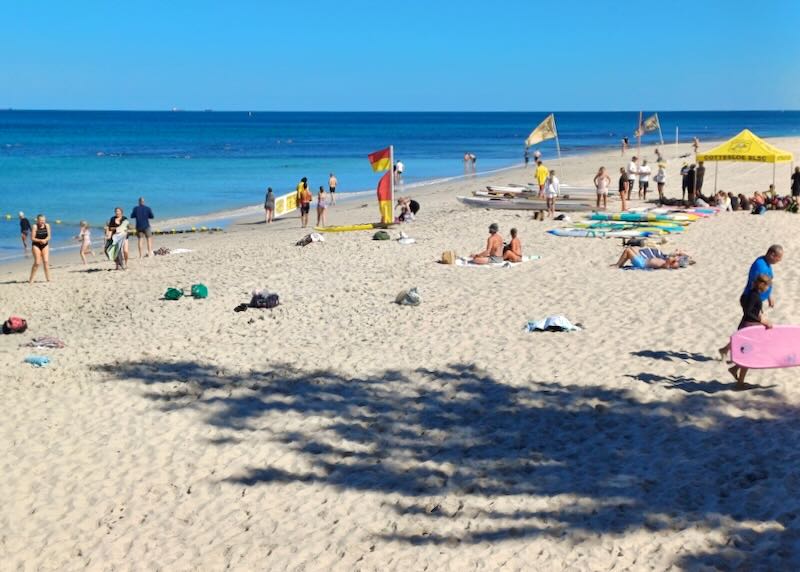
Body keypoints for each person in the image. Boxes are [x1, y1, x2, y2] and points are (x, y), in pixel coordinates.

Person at [719, 274, 772, 389]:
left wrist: (760, 317)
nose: (768, 288)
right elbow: (747, 312)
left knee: (749, 353)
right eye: (768, 286)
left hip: (750, 326)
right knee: (748, 355)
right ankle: (740, 382)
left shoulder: (754, 293)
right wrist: (761, 320)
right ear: (762, 285)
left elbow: (750, 308)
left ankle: (734, 369)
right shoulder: (754, 295)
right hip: (748, 327)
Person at [613, 246, 690, 270]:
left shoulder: (671, 264)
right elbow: (670, 258)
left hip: (642, 263)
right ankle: (620, 264)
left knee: (627, 250)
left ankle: (618, 265)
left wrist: (676, 257)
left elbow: (670, 261)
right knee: (630, 248)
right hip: (643, 260)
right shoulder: (671, 262)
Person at [29, 214, 51, 283]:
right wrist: (40, 240)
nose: (42, 221)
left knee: (46, 261)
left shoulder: (47, 225)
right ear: (37, 220)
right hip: (36, 245)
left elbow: (49, 236)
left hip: (45, 244)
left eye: (44, 220)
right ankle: (31, 279)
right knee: (37, 263)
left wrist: (45, 240)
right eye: (41, 220)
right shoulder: (35, 226)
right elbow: (32, 238)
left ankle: (48, 279)